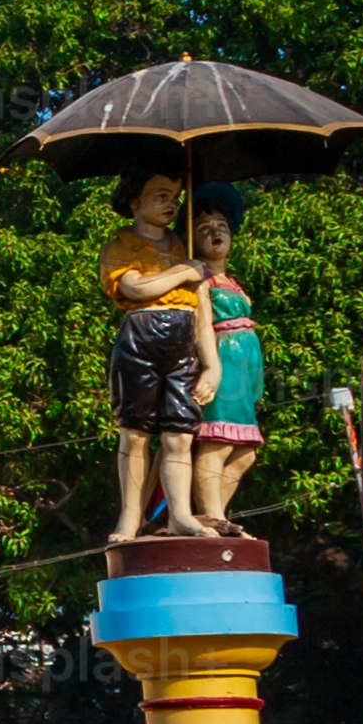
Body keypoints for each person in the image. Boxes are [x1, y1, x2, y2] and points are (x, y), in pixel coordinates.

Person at [98, 177, 216, 540]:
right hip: (140, 338)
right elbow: (136, 287)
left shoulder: (182, 247)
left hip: (181, 342)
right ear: (135, 202)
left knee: (179, 432)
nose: (171, 205)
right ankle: (130, 516)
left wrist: (211, 363)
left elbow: (202, 310)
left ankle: (179, 513)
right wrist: (184, 272)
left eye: (176, 199)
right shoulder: (122, 245)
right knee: (134, 433)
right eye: (161, 197)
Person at [188, 199, 266, 531]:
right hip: (222, 363)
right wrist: (210, 365)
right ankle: (211, 516)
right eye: (205, 228)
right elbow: (199, 323)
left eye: (221, 225)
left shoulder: (232, 281)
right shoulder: (198, 277)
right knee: (217, 442)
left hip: (244, 370)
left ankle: (215, 514)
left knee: (245, 453)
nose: (215, 232)